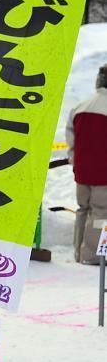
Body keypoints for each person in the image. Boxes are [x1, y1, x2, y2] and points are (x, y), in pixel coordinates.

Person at [66, 64, 107, 264]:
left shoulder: (79, 107)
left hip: (82, 172)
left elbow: (70, 141)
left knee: (82, 209)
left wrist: (76, 163)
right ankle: (91, 256)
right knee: (100, 213)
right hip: (103, 174)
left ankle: (78, 252)